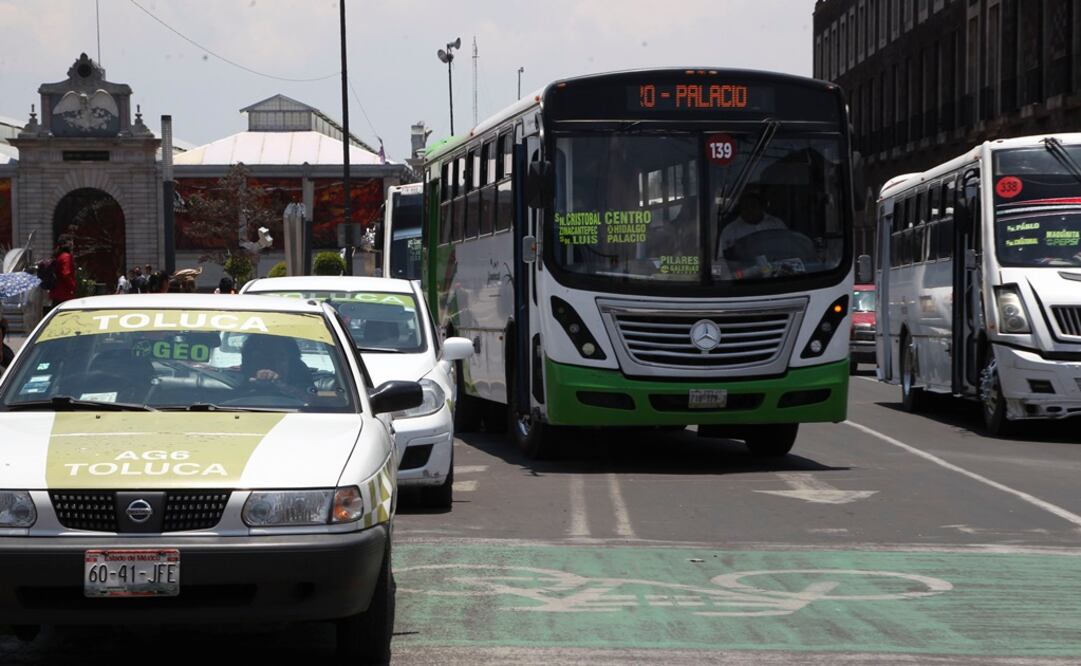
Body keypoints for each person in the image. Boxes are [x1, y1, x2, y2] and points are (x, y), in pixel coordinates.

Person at [239, 335, 314, 400]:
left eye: (281, 358)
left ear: (292, 363)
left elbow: (312, 402)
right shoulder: (232, 382)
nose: (274, 365)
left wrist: (282, 386)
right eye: (266, 359)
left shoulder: (302, 380)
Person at [717, 191, 787, 256]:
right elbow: (721, 256)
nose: (749, 210)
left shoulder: (776, 224)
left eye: (753, 206)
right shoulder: (730, 230)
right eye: (745, 207)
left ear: (762, 207)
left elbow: (786, 246)